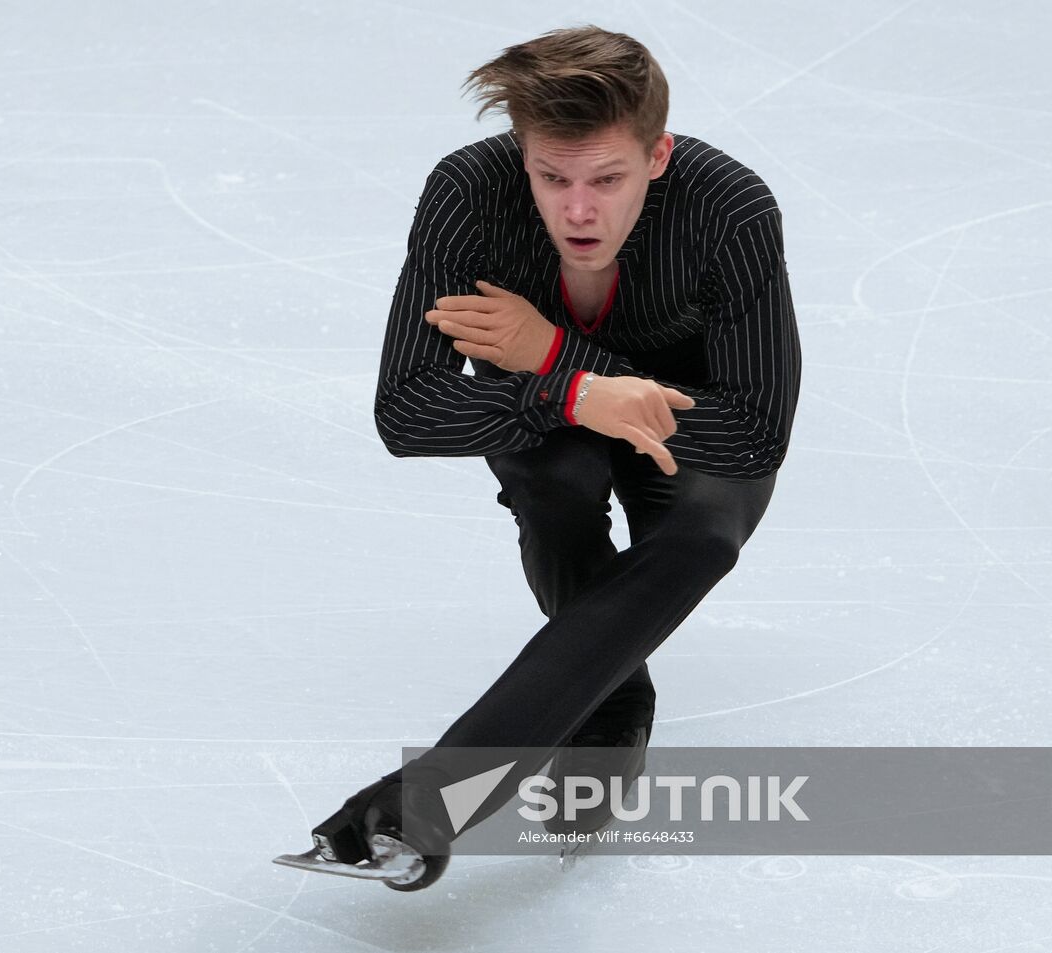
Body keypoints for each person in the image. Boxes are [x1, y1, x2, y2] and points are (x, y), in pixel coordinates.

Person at [305, 24, 801, 886]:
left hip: (692, 421)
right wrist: (571, 394)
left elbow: (755, 430)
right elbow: (408, 410)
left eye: (607, 178)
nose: (578, 209)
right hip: (545, 418)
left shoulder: (730, 207)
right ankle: (611, 699)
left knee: (703, 534)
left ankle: (438, 791)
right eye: (552, 176)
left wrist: (561, 355)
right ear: (520, 154)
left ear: (657, 156)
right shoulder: (469, 192)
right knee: (553, 478)